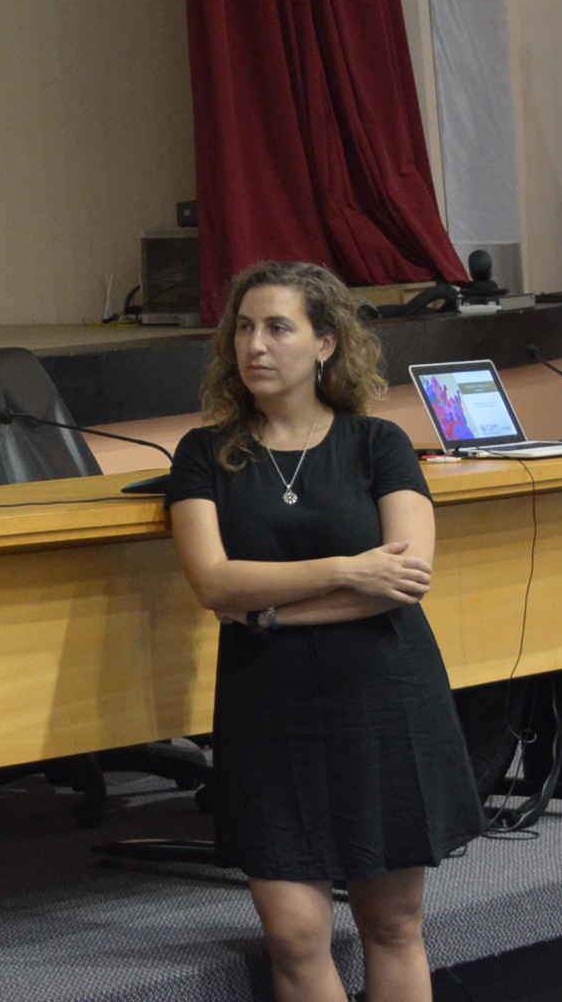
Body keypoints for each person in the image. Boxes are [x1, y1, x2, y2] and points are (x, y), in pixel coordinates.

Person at [165, 261, 484, 1002]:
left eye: (278, 327)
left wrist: (267, 609)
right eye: (244, 328)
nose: (256, 345)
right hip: (266, 706)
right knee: (293, 932)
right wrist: (346, 569)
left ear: (326, 344)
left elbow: (403, 582)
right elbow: (214, 582)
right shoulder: (204, 454)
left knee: (393, 923)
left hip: (384, 695)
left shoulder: (379, 443)